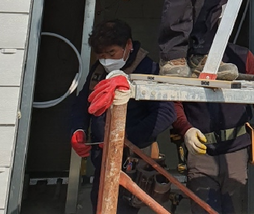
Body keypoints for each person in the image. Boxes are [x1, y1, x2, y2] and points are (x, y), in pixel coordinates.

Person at [70, 19, 176, 214]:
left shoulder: (148, 70)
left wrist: (125, 139)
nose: (106, 60)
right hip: (102, 160)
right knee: (100, 204)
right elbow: (82, 103)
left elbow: (166, 112)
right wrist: (78, 129)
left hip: (132, 162)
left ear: (128, 45)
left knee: (122, 208)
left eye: (111, 54)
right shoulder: (99, 70)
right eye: (101, 55)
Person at [173, 43, 254, 214]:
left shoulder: (242, 56)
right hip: (201, 153)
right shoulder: (182, 60)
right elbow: (172, 101)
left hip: (236, 152)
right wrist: (186, 130)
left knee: (230, 209)